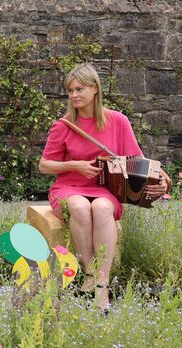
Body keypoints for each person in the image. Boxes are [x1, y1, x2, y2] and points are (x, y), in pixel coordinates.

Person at [39, 63, 170, 310]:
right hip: (68, 187)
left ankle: (102, 284)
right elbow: (45, 165)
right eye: (70, 91)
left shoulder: (117, 121)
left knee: (100, 208)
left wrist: (166, 179)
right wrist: (76, 166)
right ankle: (89, 271)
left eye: (79, 89)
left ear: (95, 89)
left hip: (105, 191)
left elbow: (138, 160)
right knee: (78, 205)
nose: (74, 95)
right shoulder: (64, 125)